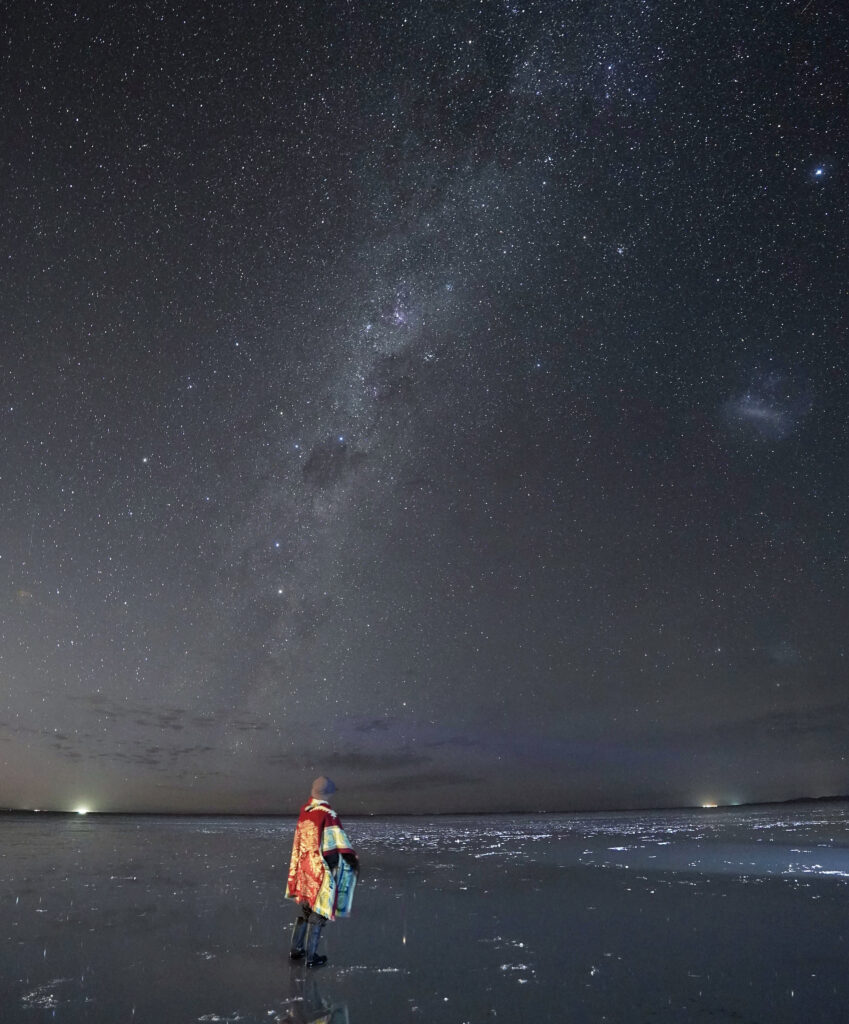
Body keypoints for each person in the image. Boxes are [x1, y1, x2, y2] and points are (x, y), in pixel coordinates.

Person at [286, 776, 359, 968]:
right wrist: (347, 862)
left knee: (306, 907)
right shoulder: (328, 814)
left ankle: (296, 950)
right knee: (320, 911)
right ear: (328, 793)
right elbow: (332, 846)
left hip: (305, 868)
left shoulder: (305, 810)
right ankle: (311, 957)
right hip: (321, 870)